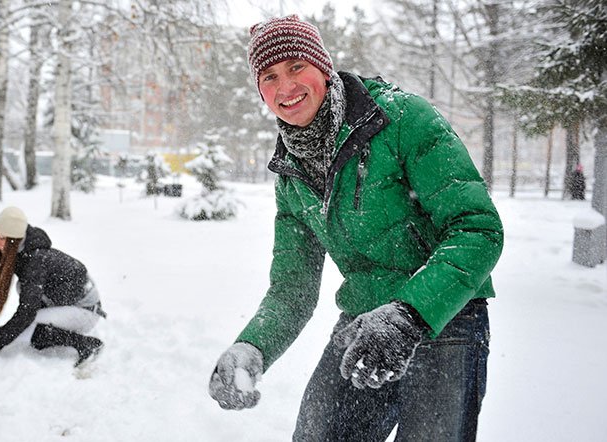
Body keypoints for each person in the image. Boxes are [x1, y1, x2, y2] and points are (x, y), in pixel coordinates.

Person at [208, 15, 504, 441]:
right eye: (269, 76)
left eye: (296, 67)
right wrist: (252, 346)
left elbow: (477, 229)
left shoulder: (402, 119)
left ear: (323, 68)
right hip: (362, 325)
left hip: (447, 321)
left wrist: (409, 315)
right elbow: (293, 287)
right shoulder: (292, 172)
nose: (285, 87)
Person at [0, 206, 106, 367]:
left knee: (35, 331)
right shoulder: (26, 253)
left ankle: (88, 344)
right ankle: (55, 327)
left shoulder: (36, 261)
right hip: (69, 304)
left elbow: (27, 312)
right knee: (23, 301)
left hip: (86, 312)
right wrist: (7, 331)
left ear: (15, 239)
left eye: (2, 238)